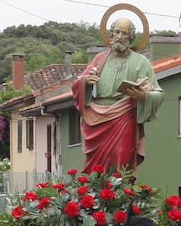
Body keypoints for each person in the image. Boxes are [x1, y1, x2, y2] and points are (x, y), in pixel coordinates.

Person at [70, 15, 163, 171]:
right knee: (95, 165)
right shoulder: (100, 59)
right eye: (117, 32)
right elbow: (77, 84)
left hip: (124, 113)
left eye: (124, 33)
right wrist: (86, 81)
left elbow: (158, 93)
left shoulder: (140, 61)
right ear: (111, 34)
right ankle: (96, 192)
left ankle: (121, 192)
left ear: (131, 36)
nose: (120, 37)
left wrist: (144, 95)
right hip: (96, 116)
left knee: (122, 154)